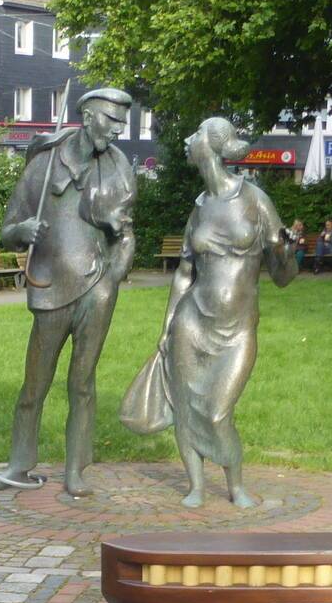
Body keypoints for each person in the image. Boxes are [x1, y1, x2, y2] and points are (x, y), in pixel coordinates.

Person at [120, 116, 298, 508]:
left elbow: (284, 276)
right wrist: (167, 326)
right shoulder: (199, 207)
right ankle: (196, 486)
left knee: (218, 411)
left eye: (197, 133)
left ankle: (235, 485)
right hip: (191, 323)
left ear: (214, 145)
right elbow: (185, 271)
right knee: (186, 408)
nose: (188, 138)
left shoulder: (254, 200)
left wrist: (287, 251)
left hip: (237, 330)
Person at [0, 85, 138, 497]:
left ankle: (76, 471)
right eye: (111, 121)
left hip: (97, 290)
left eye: (121, 124)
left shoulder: (119, 167)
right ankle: (19, 463)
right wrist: (21, 232)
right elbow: (9, 231)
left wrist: (115, 276)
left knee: (83, 383)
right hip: (50, 287)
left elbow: (127, 235)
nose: (116, 131)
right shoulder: (43, 165)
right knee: (34, 384)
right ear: (88, 116)